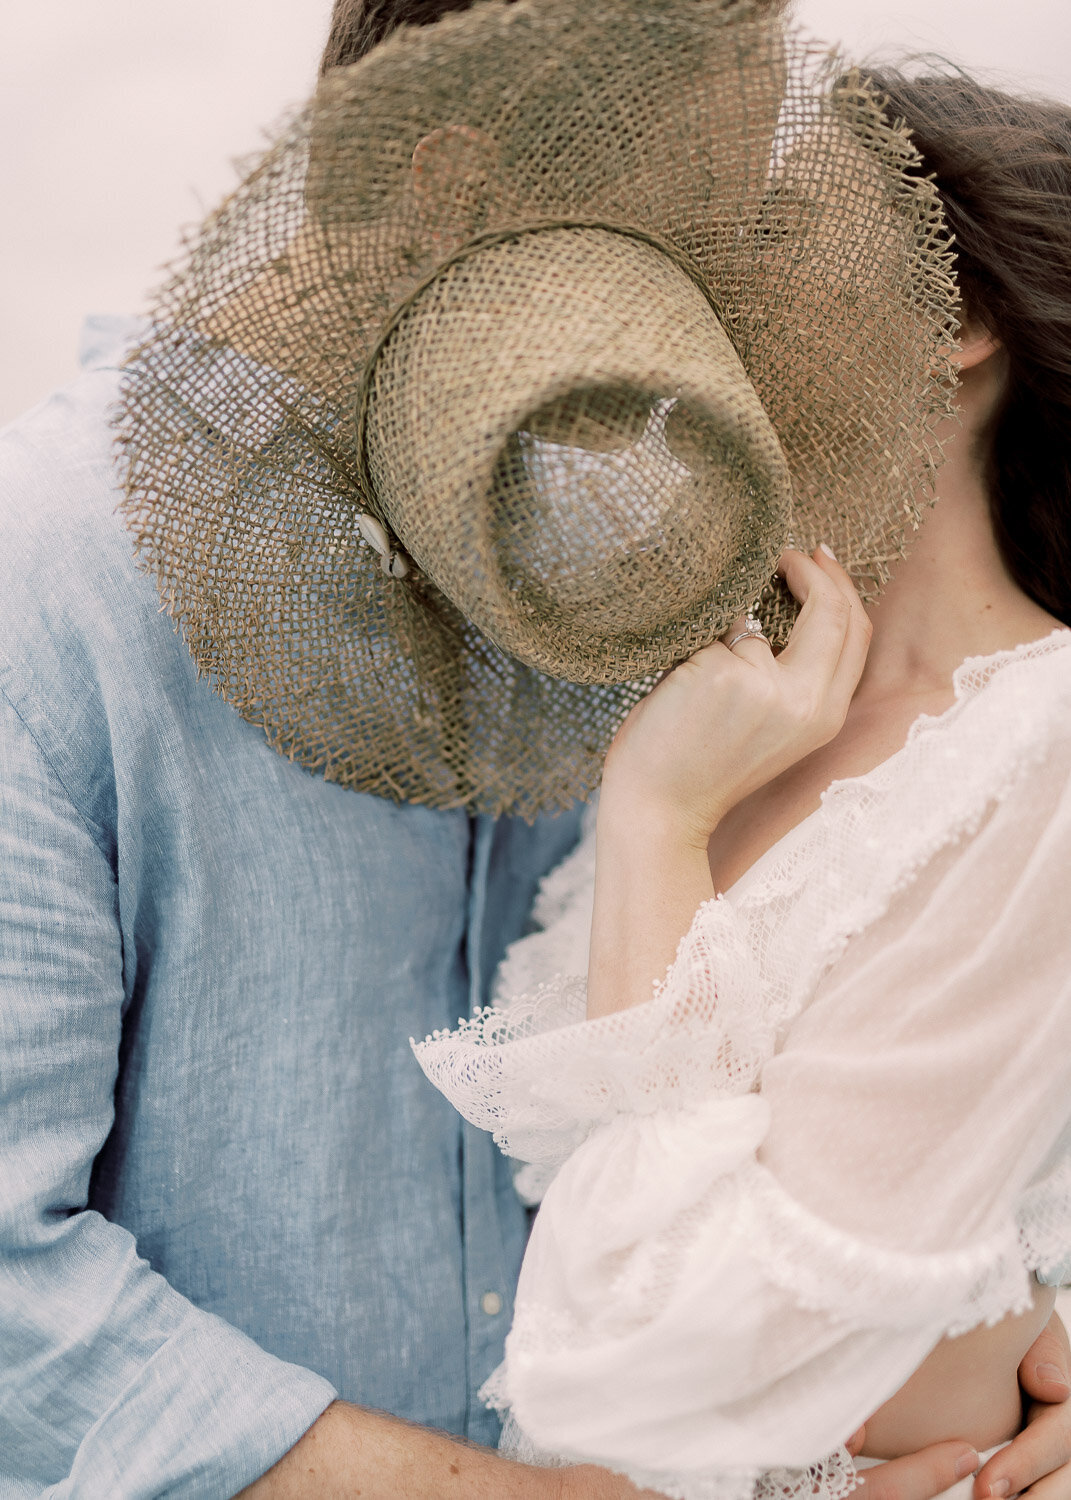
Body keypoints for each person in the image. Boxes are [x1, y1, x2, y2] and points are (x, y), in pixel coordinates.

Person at [0, 3, 1067, 1499]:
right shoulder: (44, 578)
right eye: (710, 208)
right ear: (450, 180)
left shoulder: (686, 549)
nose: (733, 286)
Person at [414, 60, 1071, 1500]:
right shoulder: (719, 708)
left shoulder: (1048, 756)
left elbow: (660, 1352)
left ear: (958, 321)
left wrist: (658, 821)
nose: (681, 315)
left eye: (757, 258)